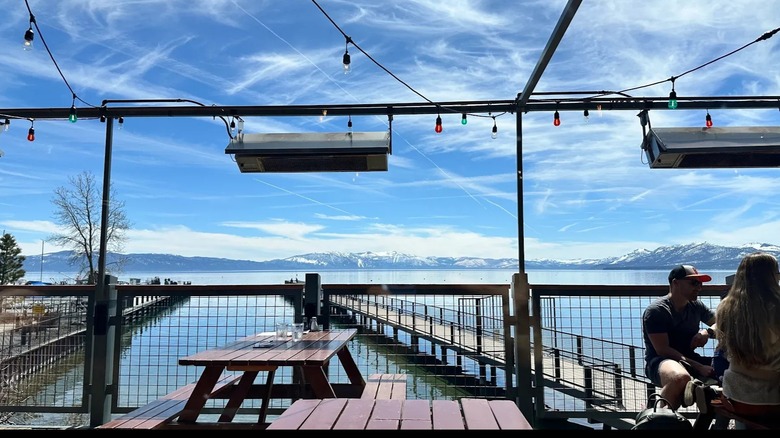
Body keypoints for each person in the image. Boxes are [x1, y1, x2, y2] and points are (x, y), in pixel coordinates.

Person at [715, 252, 780, 422]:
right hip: (773, 399)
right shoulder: (776, 306)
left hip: (735, 398)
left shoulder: (725, 307)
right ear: (772, 276)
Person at [642, 264, 717, 409]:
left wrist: (707, 332)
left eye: (700, 284)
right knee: (679, 378)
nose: (699, 287)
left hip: (690, 358)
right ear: (675, 283)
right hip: (660, 362)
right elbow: (663, 350)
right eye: (694, 283)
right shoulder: (657, 311)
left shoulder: (696, 306)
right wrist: (699, 367)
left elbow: (721, 323)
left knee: (732, 368)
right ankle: (660, 417)